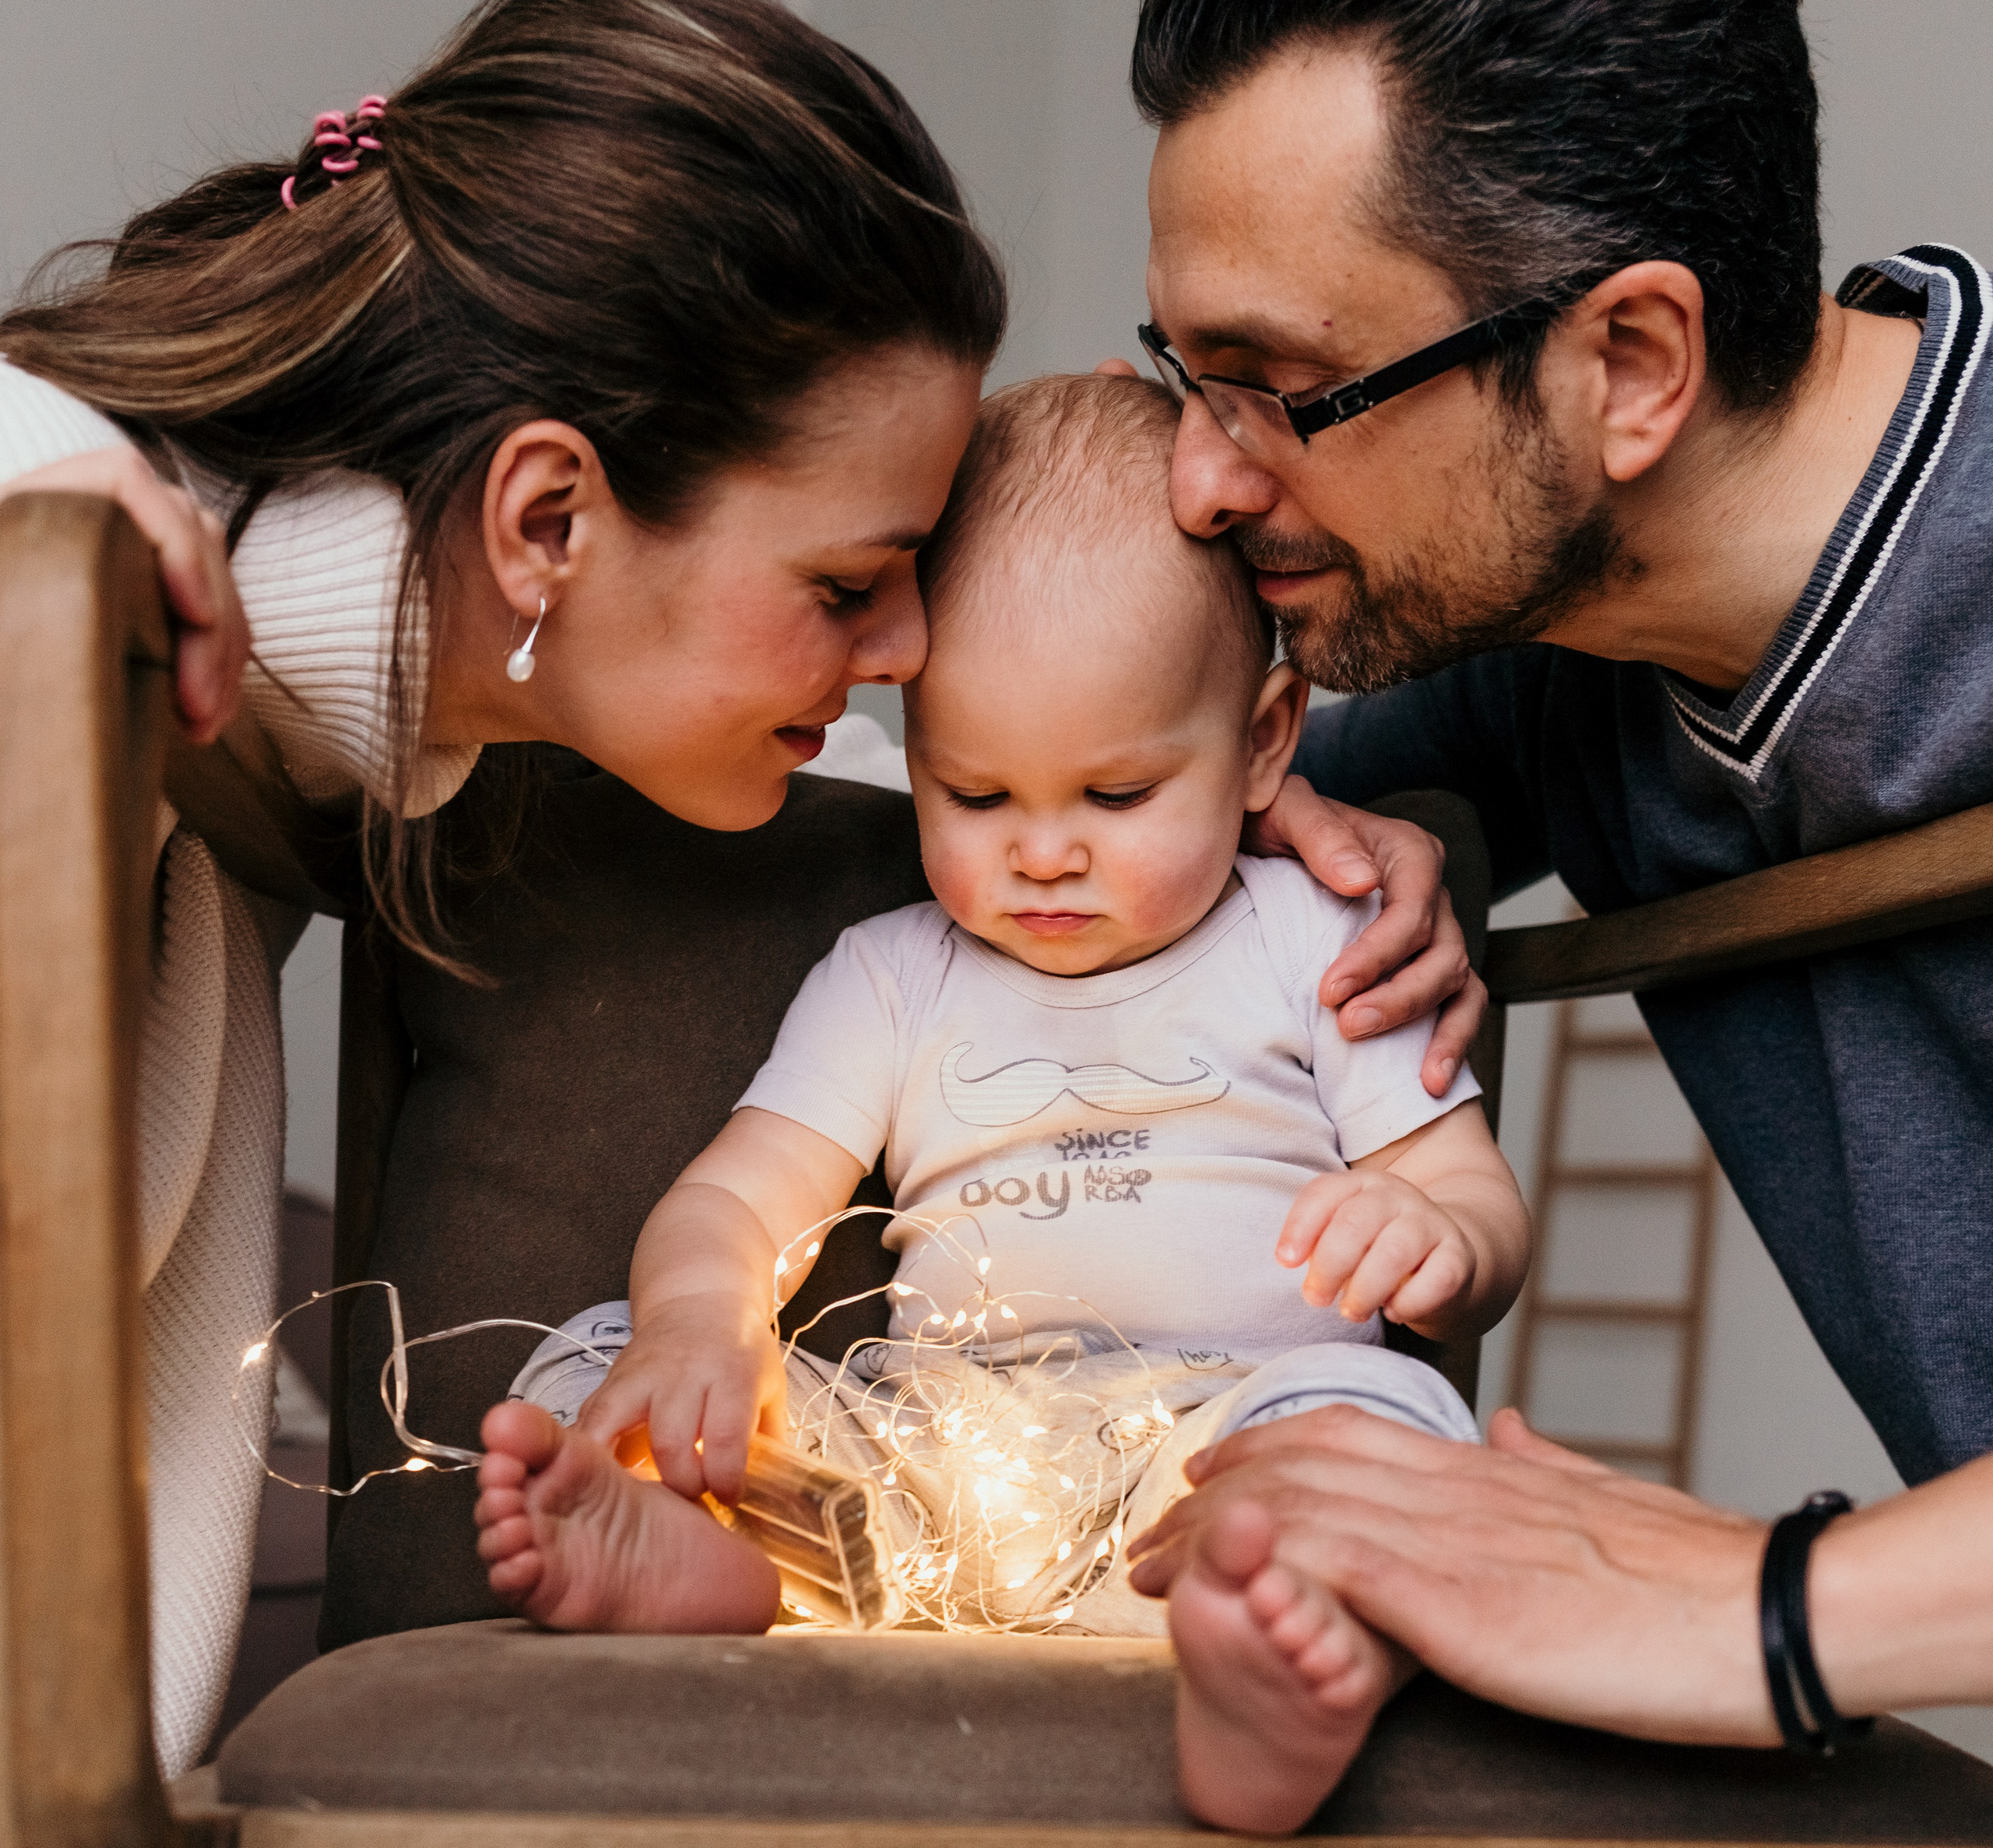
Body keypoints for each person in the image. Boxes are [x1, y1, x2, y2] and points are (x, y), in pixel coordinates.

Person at [0, 0, 1478, 1772]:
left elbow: (1019, 734)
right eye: (852, 582)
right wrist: (35, 476)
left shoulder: (320, 734)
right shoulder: (71, 607)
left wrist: (1284, 812)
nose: (907, 650)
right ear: (547, 523)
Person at [472, 374, 1529, 1835]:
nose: (1042, 856)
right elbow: (733, 1196)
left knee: (1387, 1417)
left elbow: (1481, 1208)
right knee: (587, 1366)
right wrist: (696, 1323)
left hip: (1216, 1458)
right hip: (936, 1477)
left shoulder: (1318, 941)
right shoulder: (894, 975)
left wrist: (1434, 1234)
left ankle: (1280, 1656)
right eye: (974, 796)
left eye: (1114, 797)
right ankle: (709, 1552)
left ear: (1267, 741)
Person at [1119, 0, 1993, 1747]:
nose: (1198, 476)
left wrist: (1748, 1608)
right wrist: (1359, 836)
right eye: (1180, 377)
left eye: (1279, 389)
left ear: (1632, 365)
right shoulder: (1556, 639)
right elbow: (1118, 779)